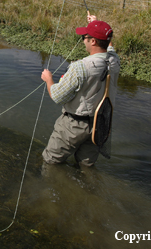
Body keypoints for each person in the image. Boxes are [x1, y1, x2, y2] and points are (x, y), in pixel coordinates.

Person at [41, 13, 120, 168]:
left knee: (50, 162)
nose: (83, 40)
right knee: (86, 167)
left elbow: (57, 96)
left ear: (93, 41)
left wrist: (48, 79)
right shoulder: (114, 60)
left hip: (74, 126)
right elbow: (109, 46)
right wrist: (96, 24)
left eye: (85, 37)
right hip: (100, 125)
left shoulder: (79, 67)